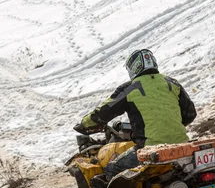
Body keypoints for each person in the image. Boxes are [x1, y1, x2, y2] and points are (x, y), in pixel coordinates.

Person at [76, 49, 197, 179]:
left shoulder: (130, 88)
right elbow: (190, 114)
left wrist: (85, 124)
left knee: (110, 170)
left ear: (133, 67)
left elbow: (105, 111)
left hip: (149, 149)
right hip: (182, 147)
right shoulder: (172, 83)